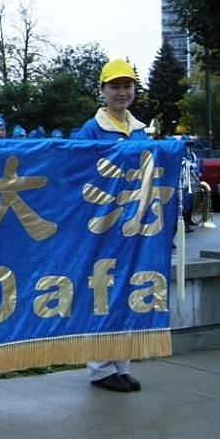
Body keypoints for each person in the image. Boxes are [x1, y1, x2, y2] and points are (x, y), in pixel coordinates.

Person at [74, 58, 147, 393]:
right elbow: (77, 170)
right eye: (114, 86)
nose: (122, 92)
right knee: (102, 292)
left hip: (134, 224)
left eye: (127, 86)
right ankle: (100, 369)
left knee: (127, 291)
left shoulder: (140, 129)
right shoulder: (91, 130)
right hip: (102, 224)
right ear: (102, 90)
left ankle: (122, 363)